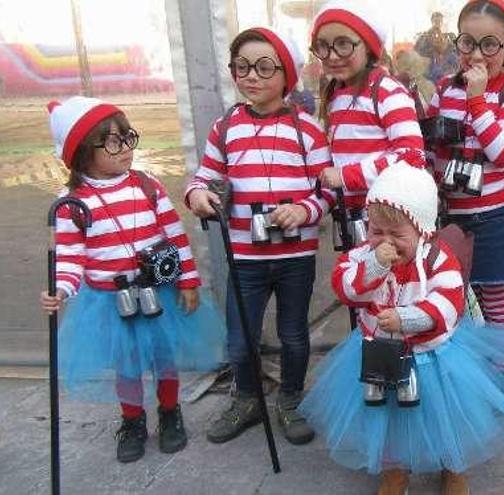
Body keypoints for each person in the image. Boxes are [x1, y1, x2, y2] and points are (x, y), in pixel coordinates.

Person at [299, 162, 504, 495]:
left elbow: (449, 301)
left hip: (433, 356)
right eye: (376, 230)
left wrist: (409, 319)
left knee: (445, 416)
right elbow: (346, 289)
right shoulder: (363, 256)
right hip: (378, 354)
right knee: (389, 415)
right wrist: (374, 265)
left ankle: (453, 464)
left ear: (423, 230)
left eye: (397, 234)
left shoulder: (438, 258)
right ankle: (395, 468)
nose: (385, 241)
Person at [42, 96, 224, 463]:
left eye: (127, 138)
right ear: (80, 151)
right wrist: (60, 288)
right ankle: (132, 419)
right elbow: (70, 256)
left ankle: (170, 413)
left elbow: (174, 236)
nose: (124, 148)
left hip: (158, 290)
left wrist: (188, 281)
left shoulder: (146, 185)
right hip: (111, 300)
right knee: (127, 363)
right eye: (111, 141)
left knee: (164, 356)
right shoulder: (73, 202)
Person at [186, 27, 333, 446]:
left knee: (293, 335)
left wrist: (304, 209)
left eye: (265, 67)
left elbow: (327, 192)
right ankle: (248, 398)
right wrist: (197, 194)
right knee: (240, 338)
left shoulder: (308, 130)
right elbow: (205, 176)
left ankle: (290, 398)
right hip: (245, 258)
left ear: (286, 74)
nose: (252, 76)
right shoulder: (226, 125)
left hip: (295, 256)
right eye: (242, 67)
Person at [426, 0, 504, 328]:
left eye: (489, 45)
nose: (475, 54)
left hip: (494, 219)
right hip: (449, 216)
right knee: (454, 303)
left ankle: (501, 379)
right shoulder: (443, 88)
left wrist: (477, 98)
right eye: (468, 42)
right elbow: (427, 147)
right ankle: (468, 377)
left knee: (497, 305)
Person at [311, 0, 425, 215]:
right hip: (353, 221)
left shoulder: (387, 91)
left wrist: (346, 176)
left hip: (389, 222)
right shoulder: (336, 95)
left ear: (369, 47)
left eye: (344, 44)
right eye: (323, 46)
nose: (332, 55)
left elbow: (412, 156)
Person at [414, 12, 459, 85]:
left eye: (440, 21)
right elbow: (417, 53)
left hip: (444, 77)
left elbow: (455, 54)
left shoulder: (449, 37)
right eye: (436, 21)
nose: (438, 23)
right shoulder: (423, 38)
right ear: (431, 21)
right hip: (428, 76)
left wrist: (444, 47)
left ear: (442, 22)